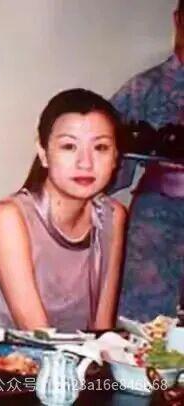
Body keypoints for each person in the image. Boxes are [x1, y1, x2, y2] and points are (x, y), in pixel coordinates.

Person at [0, 89, 126, 332]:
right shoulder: (10, 218)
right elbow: (37, 334)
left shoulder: (112, 216)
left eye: (101, 147)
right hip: (4, 354)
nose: (85, 163)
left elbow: (102, 331)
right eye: (69, 146)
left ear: (115, 156)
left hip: (79, 355)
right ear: (43, 153)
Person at [110, 0, 184, 321]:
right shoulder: (145, 88)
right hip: (156, 227)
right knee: (143, 326)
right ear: (178, 19)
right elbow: (105, 164)